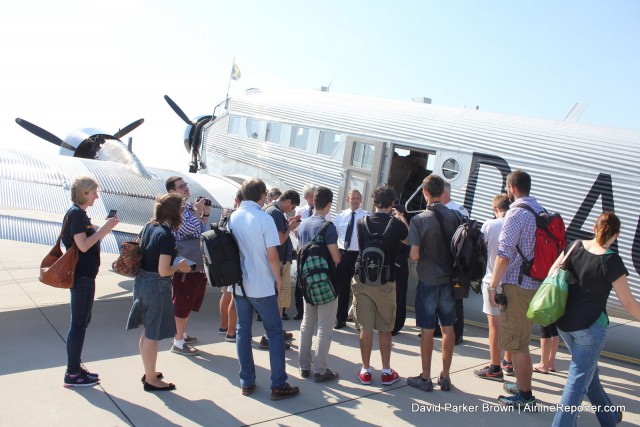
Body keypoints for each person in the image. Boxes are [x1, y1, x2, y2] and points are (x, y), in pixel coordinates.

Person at [552, 212, 640, 426]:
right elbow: (627, 302)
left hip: (564, 323)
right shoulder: (611, 261)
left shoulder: (575, 246)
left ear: (594, 228)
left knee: (588, 372)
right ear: (616, 235)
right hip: (590, 328)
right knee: (577, 381)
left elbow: (552, 271)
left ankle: (609, 417)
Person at [228, 178, 299, 400]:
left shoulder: (234, 216)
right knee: (275, 333)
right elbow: (272, 255)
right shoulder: (264, 218)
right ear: (261, 196)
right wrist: (278, 280)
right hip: (262, 285)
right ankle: (278, 383)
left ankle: (246, 381)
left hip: (240, 285)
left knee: (243, 331)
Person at [489, 170, 544, 407]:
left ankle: (525, 396)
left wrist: (493, 285)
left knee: (518, 344)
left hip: (518, 286)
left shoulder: (516, 213)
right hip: (535, 285)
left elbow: (504, 253)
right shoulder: (540, 210)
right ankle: (522, 385)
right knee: (523, 338)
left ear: (512, 188)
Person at [126, 193, 191, 392]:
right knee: (152, 334)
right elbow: (164, 270)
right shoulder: (166, 235)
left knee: (148, 331)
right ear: (174, 212)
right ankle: (151, 379)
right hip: (157, 285)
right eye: (181, 210)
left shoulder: (149, 226)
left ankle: (149, 371)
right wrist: (179, 266)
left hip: (142, 281)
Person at [62, 176, 119, 387]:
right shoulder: (77, 214)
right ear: (84, 193)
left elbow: (88, 236)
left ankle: (75, 367)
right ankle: (73, 372)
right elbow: (83, 245)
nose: (96, 196)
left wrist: (105, 226)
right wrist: (105, 230)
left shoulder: (79, 214)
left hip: (85, 276)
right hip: (82, 277)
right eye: (94, 192)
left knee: (81, 323)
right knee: (78, 325)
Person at [407, 175, 459, 392]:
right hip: (449, 281)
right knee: (448, 328)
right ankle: (445, 376)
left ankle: (425, 377)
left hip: (428, 280)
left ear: (425, 192)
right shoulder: (456, 216)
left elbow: (415, 255)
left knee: (427, 328)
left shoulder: (419, 220)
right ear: (442, 192)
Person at [353, 185, 408, 386]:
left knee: (365, 328)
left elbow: (361, 247)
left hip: (363, 279)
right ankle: (386, 371)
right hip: (386, 281)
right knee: (385, 328)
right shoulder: (396, 224)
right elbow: (408, 239)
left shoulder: (361, 222)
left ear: (374, 201)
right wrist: (401, 217)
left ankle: (365, 370)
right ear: (392, 203)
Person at [297, 186, 342, 382]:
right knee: (324, 325)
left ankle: (304, 366)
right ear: (329, 204)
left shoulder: (304, 224)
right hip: (326, 283)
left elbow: (300, 251)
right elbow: (336, 257)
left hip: (307, 282)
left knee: (307, 323)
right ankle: (321, 370)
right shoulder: (328, 227)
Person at [166, 176, 210, 357]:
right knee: (182, 301)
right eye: (180, 186)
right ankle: (178, 342)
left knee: (190, 300)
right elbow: (190, 229)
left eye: (185, 185)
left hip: (195, 261)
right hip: (185, 263)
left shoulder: (187, 207)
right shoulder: (175, 210)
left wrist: (203, 213)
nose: (185, 188)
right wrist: (197, 210)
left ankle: (182, 335)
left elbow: (200, 229)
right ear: (171, 192)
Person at [473, 193, 513, 381]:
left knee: (494, 325)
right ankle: (508, 361)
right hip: (513, 282)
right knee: (511, 324)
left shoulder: (490, 225)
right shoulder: (517, 224)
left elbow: (482, 249)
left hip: (493, 279)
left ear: (496, 208)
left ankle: (495, 367)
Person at [261, 189, 301, 349]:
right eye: (291, 207)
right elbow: (278, 239)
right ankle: (271, 336)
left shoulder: (270, 209)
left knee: (279, 298)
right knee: (278, 299)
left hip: (276, 261)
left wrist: (287, 225)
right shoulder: (276, 213)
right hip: (278, 262)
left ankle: (276, 331)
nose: (290, 210)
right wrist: (290, 228)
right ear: (288, 201)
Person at [332, 189, 368, 329]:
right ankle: (340, 319)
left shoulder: (366, 216)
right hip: (343, 255)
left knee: (359, 288)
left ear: (361, 200)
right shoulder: (340, 217)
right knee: (343, 289)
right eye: (352, 198)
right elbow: (333, 237)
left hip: (359, 256)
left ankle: (359, 320)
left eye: (357, 198)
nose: (355, 200)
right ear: (348, 200)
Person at [441, 180, 469, 345]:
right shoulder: (441, 210)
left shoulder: (458, 210)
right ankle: (440, 328)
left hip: (455, 263)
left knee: (456, 299)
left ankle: (457, 333)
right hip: (442, 261)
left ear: (444, 192)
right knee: (441, 298)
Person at [218, 189, 243, 343]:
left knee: (227, 294)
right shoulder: (238, 217)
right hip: (235, 262)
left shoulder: (227, 216)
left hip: (225, 261)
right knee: (234, 297)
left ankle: (223, 326)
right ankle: (231, 331)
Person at [293, 184, 317, 320]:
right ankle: (300, 310)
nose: (314, 198)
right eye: (312, 196)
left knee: (313, 278)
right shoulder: (300, 211)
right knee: (300, 281)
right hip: (302, 249)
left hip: (316, 250)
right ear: (306, 197)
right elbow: (295, 230)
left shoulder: (321, 211)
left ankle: (312, 308)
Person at [391, 204, 410, 336]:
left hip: (400, 267)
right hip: (389, 266)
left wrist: (401, 217)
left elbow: (409, 242)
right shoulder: (391, 225)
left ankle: (397, 325)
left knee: (400, 297)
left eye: (395, 212)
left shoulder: (405, 226)